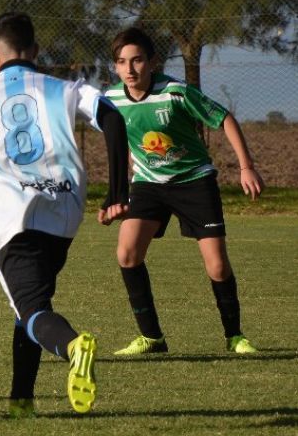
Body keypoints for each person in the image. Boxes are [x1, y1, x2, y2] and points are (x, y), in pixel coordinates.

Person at [0, 12, 130, 416]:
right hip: (63, 214)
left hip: (12, 219)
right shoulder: (65, 89)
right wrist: (117, 192)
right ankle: (21, 401)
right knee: (29, 306)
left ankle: (74, 347)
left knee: (35, 311)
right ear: (35, 52)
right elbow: (112, 117)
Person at [100, 27, 265, 356]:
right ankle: (152, 338)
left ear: (153, 62)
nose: (129, 70)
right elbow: (117, 149)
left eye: (137, 61)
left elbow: (224, 118)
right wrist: (114, 197)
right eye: (121, 62)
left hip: (193, 181)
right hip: (148, 184)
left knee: (216, 265)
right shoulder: (112, 100)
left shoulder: (176, 92)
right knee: (127, 253)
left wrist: (246, 166)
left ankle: (235, 336)